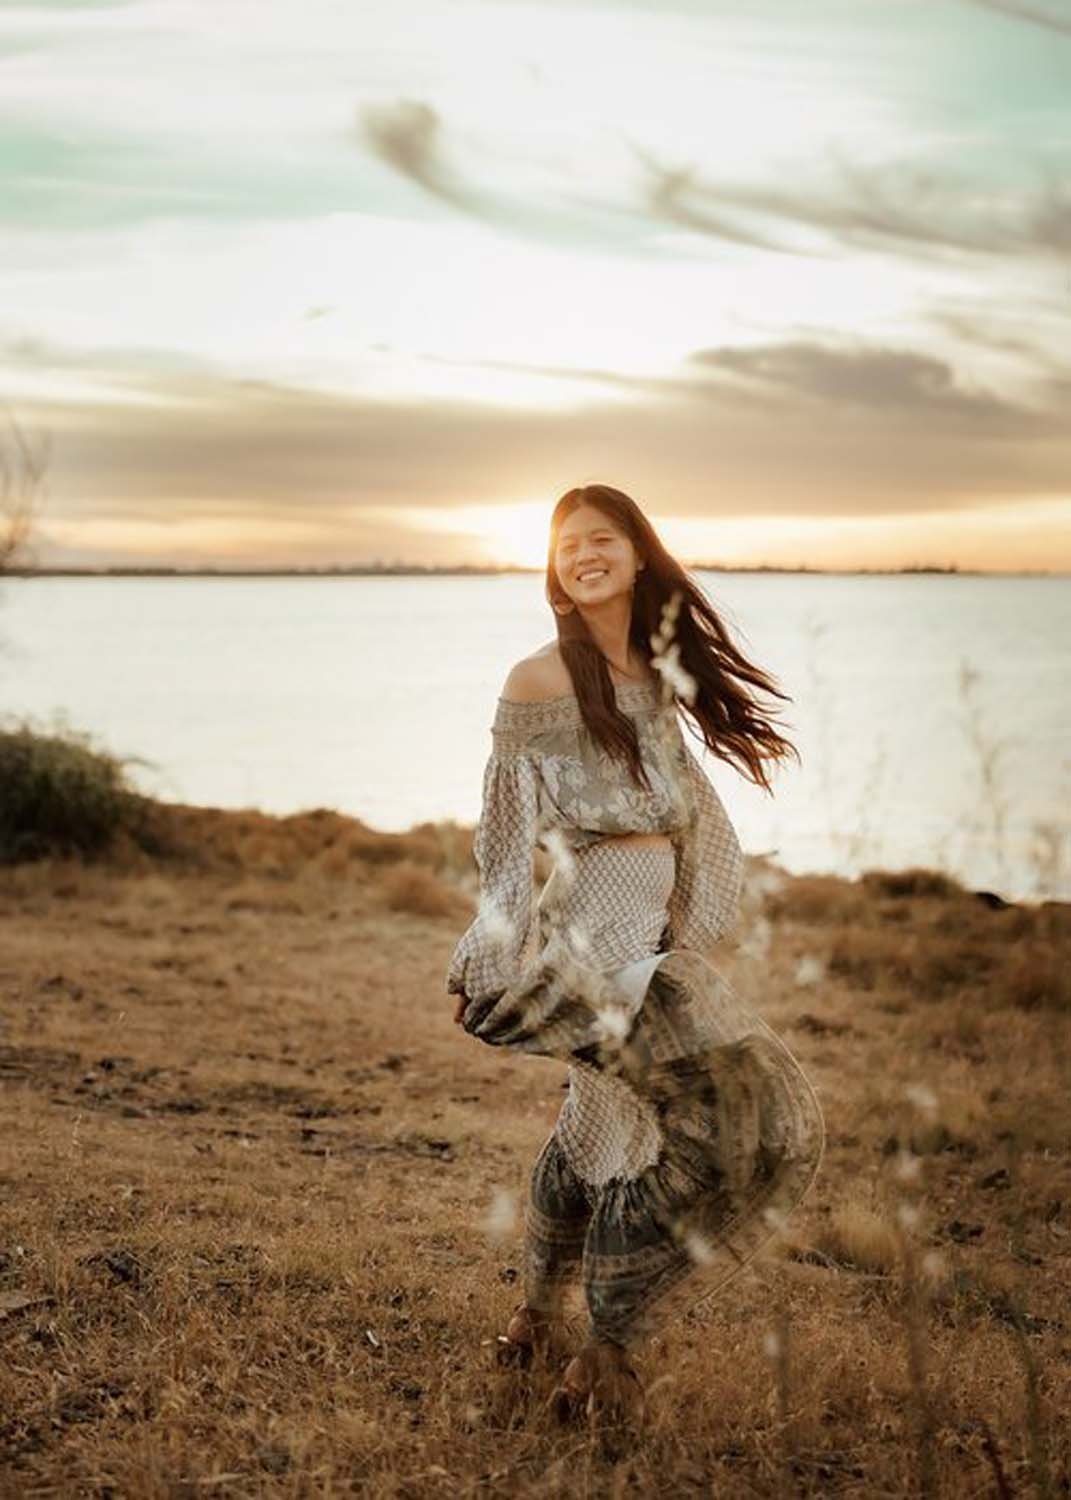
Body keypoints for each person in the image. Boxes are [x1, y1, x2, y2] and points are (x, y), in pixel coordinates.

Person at [445, 484, 825, 1418]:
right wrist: (498, 941)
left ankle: (540, 1323)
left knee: (600, 1128)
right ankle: (609, 1346)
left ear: (636, 554)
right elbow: (504, 831)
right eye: (566, 543)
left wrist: (688, 921)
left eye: (600, 537)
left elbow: (691, 812)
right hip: (591, 941)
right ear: (555, 570)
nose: (582, 552)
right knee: (760, 1121)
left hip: (648, 935)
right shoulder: (537, 677)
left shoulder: (655, 678)